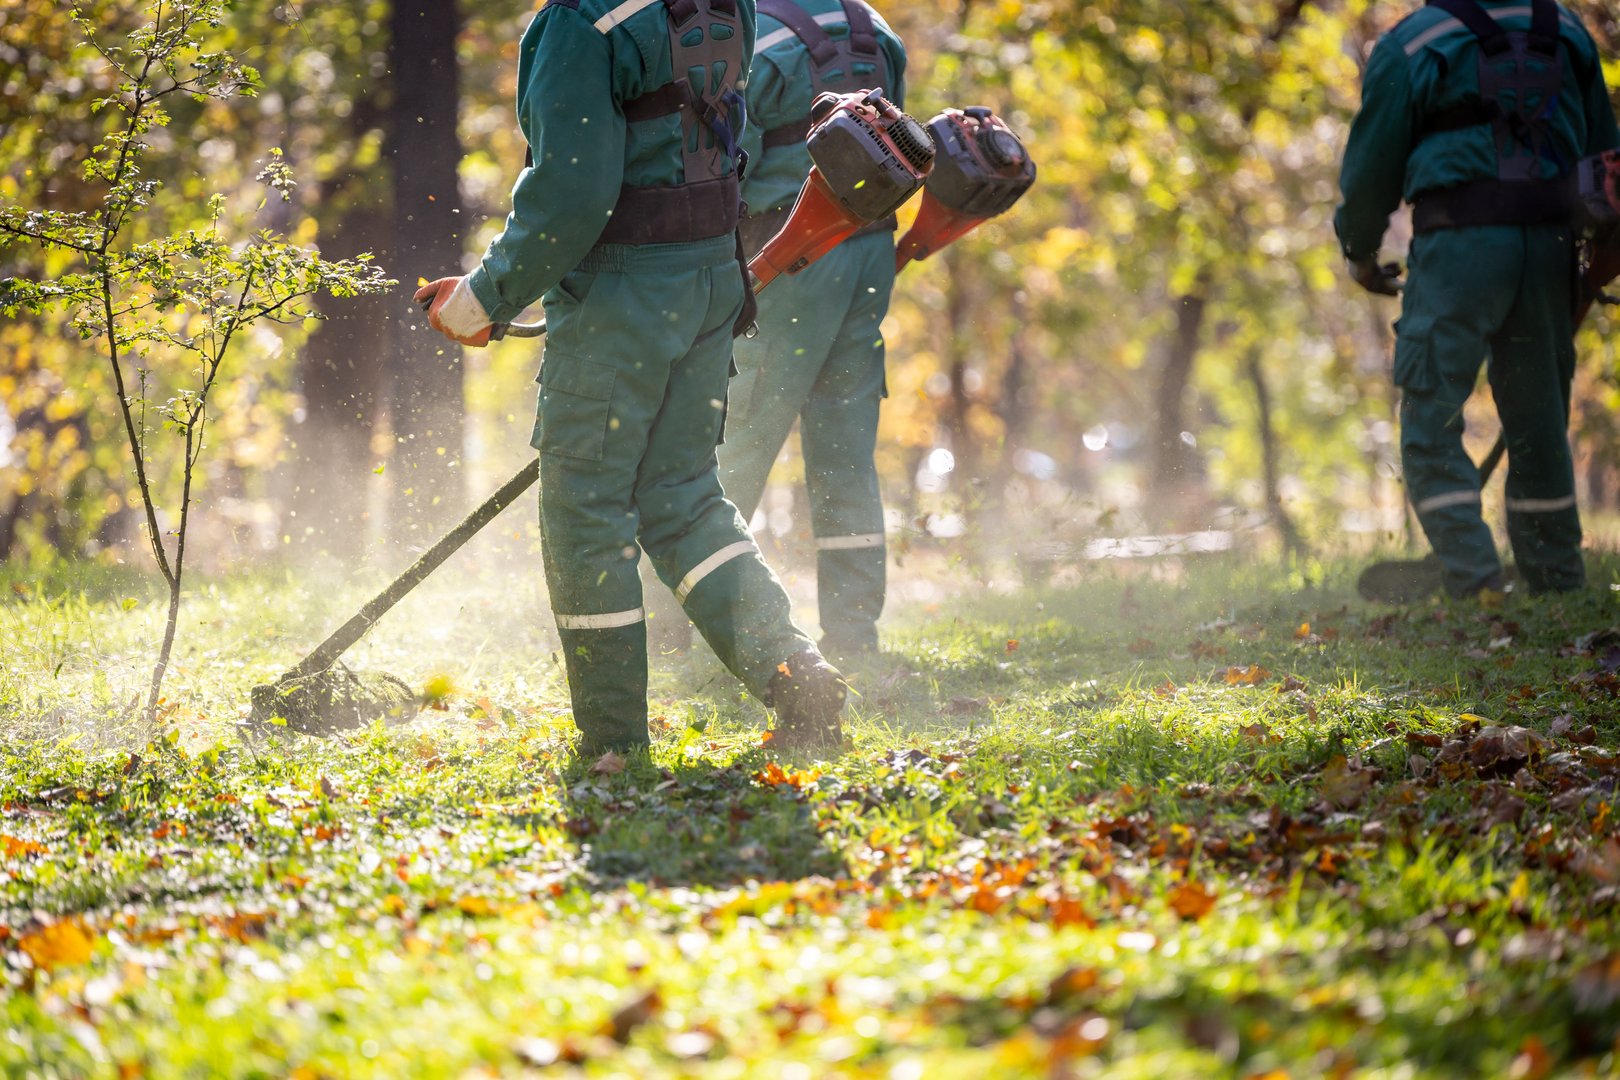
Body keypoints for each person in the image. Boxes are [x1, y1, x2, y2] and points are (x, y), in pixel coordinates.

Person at [415, 0, 847, 754]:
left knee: (586, 513)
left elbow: (569, 195)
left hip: (622, 293)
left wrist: (480, 301)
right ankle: (794, 672)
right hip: (711, 277)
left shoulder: (580, 23)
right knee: (682, 499)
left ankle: (612, 742)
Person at [1336, 0, 1619, 599]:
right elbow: (1607, 159)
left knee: (1431, 414)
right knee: (1539, 417)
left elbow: (1370, 166)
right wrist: (1604, 249)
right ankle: (1557, 581)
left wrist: (1360, 250)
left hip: (1460, 247)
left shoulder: (1411, 41)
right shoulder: (1568, 31)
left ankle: (1473, 576)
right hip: (1550, 249)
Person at [718, 0, 907, 660]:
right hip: (869, 253)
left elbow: (722, 161)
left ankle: (713, 630)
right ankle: (855, 636)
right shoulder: (874, 29)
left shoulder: (748, 35)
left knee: (735, 441)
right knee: (846, 454)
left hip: (786, 252)